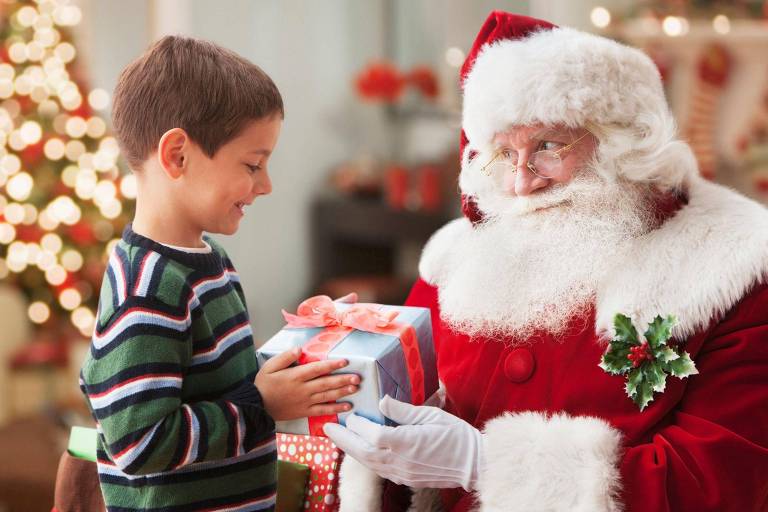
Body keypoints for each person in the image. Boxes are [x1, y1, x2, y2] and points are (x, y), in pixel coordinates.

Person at [324, 11, 768, 512]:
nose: (521, 182)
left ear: (623, 142)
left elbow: (719, 482)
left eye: (548, 146)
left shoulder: (735, 267)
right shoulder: (454, 257)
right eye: (503, 154)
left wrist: (484, 464)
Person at [79, 36, 360, 512]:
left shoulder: (210, 261)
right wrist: (262, 406)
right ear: (178, 156)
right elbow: (140, 444)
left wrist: (308, 344)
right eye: (253, 165)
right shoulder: (147, 289)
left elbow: (222, 381)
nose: (265, 185)